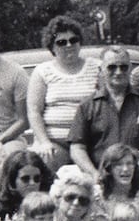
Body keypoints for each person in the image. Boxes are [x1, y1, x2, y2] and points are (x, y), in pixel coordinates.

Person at [69, 45, 139, 182]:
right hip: (99, 172)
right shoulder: (87, 105)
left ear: (130, 69)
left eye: (124, 67)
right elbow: (77, 147)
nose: (118, 72)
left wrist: (138, 169)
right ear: (101, 70)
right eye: (111, 67)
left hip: (138, 170)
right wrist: (93, 173)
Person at [26, 15, 100, 169]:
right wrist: (44, 142)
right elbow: (34, 112)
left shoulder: (97, 68)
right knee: (42, 163)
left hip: (91, 142)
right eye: (61, 42)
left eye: (73, 40)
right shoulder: (42, 72)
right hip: (55, 143)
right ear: (52, 47)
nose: (69, 45)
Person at [0, 42, 30, 173]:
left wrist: (0, 140)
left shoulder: (14, 72)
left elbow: (24, 121)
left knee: (9, 162)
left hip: (8, 138)